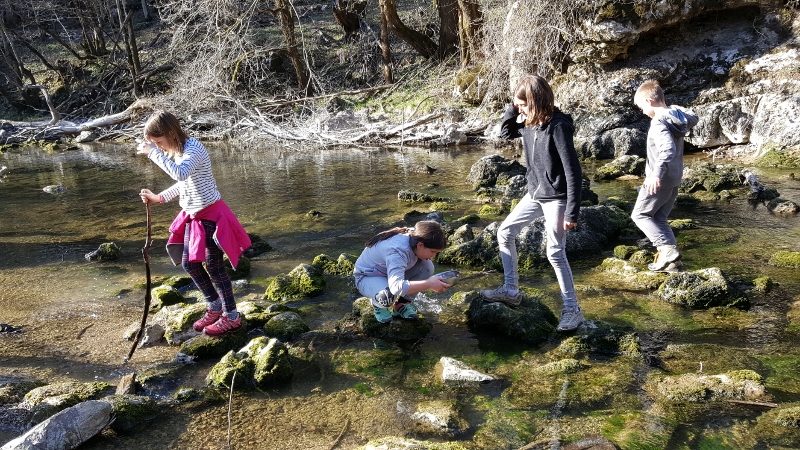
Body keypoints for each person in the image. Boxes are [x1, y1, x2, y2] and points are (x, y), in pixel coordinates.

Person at [479, 74, 585, 332]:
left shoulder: (559, 126)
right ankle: (511, 290)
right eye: (518, 106)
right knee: (504, 232)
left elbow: (573, 172)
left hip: (557, 198)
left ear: (536, 101)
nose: (520, 109)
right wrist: (513, 107)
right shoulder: (528, 123)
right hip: (535, 194)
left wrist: (572, 211)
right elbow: (505, 132)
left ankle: (572, 310)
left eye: (523, 104)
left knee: (555, 252)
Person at [137, 110, 251, 337]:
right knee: (190, 264)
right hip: (195, 216)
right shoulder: (179, 152)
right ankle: (215, 306)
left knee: (215, 267)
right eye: (154, 144)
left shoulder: (194, 149)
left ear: (170, 133)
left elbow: (180, 174)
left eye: (159, 142)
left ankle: (232, 317)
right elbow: (185, 185)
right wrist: (159, 198)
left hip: (212, 215)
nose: (158, 147)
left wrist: (152, 154)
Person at [631, 80, 698, 272]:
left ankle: (666, 250)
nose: (642, 112)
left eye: (641, 106)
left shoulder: (659, 121)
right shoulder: (676, 117)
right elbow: (694, 116)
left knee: (640, 215)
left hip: (660, 178)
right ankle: (672, 262)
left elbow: (667, 149)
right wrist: (673, 107)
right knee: (659, 218)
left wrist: (655, 175)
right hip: (675, 177)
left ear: (649, 101)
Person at [354, 220, 451, 323]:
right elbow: (396, 288)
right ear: (420, 245)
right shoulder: (398, 252)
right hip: (368, 276)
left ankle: (401, 305)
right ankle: (378, 306)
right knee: (386, 296)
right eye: (433, 252)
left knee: (427, 267)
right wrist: (429, 284)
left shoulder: (418, 235)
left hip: (390, 271)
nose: (434, 256)